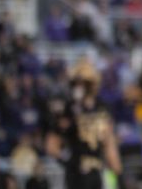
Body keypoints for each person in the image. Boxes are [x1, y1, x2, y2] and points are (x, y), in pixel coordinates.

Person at [44, 60, 121, 189]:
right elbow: (52, 144)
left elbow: (109, 141)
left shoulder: (102, 109)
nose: (80, 87)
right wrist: (67, 159)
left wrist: (117, 169)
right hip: (76, 171)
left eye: (85, 83)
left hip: (97, 170)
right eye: (77, 83)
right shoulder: (68, 109)